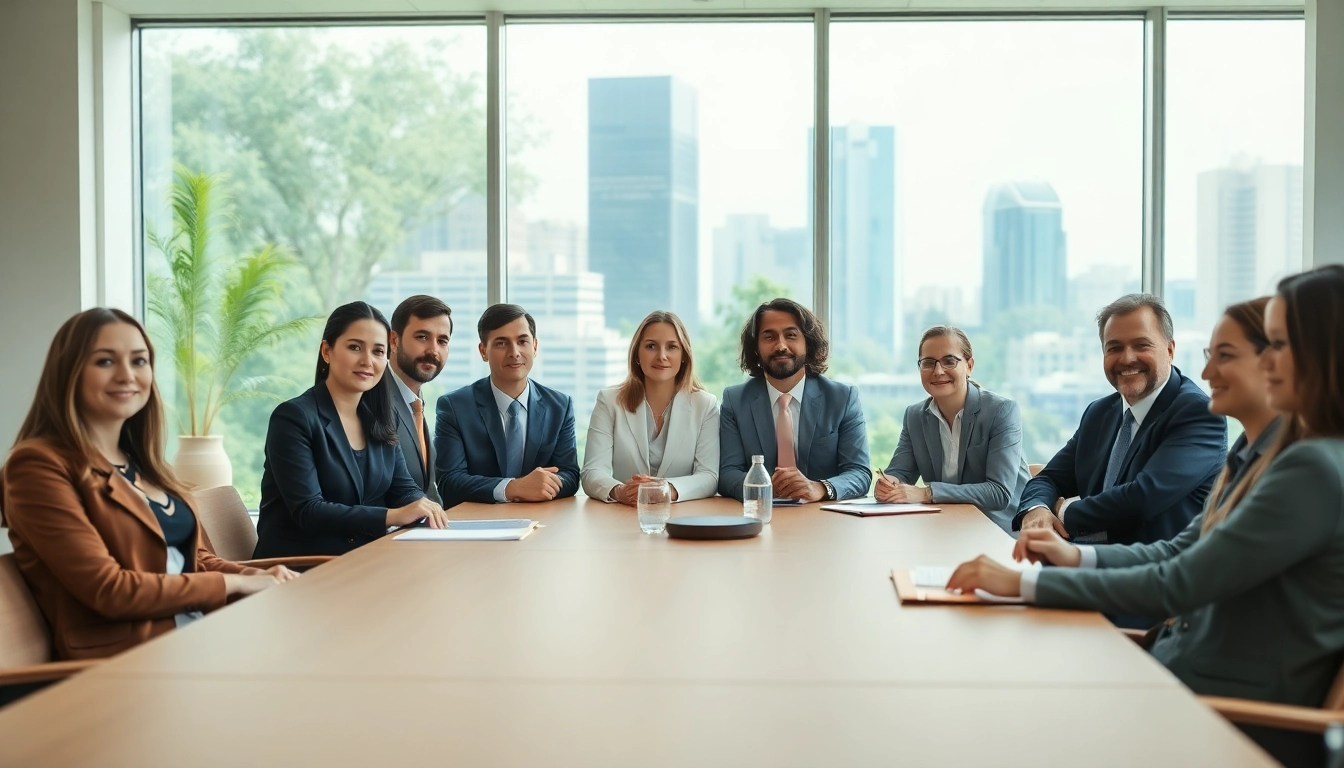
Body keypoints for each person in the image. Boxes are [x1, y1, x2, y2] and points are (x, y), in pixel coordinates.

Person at [947, 267, 1344, 768]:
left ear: (1322, 351)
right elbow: (1178, 551)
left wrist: (1023, 585)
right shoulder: (1263, 451)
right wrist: (1069, 549)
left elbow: (1176, 575)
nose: (1208, 373)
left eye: (1278, 346)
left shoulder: (1309, 465)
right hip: (1180, 668)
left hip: (1226, 713)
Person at [0, 308, 296, 661]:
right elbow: (109, 589)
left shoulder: (146, 463)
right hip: (126, 660)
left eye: (139, 361)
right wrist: (237, 582)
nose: (127, 375)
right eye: (105, 361)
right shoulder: (37, 465)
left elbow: (197, 560)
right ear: (69, 373)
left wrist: (262, 576)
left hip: (197, 636)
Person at [1015, 294, 1226, 546]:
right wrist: (1037, 510)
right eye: (1114, 348)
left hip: (1154, 574)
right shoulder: (1099, 412)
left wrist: (1062, 510)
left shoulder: (1197, 412)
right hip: (1082, 562)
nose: (1127, 358)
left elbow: (1142, 499)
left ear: (1170, 350)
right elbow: (1048, 478)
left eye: (1141, 345)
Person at [254, 302, 448, 559]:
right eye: (355, 347)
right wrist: (393, 516)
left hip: (364, 558)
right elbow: (309, 511)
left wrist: (423, 506)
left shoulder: (380, 418)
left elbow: (403, 489)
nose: (367, 361)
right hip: (301, 567)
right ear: (327, 351)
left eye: (378, 351)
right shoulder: (293, 418)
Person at [877, 325, 1029, 533]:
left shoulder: (1001, 411)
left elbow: (999, 493)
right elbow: (901, 471)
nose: (938, 371)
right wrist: (889, 484)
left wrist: (927, 494)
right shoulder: (915, 416)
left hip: (999, 531)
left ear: (969, 365)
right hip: (945, 528)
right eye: (928, 363)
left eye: (949, 361)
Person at [718, 298, 870, 502]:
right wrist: (766, 488)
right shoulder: (734, 400)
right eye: (769, 337)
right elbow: (728, 473)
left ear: (808, 343)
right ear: (756, 348)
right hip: (760, 513)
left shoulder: (842, 398)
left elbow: (859, 472)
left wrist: (820, 488)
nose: (781, 346)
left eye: (791, 335)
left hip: (823, 519)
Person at [434, 304, 580, 508]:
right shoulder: (455, 407)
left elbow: (571, 475)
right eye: (501, 343)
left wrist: (545, 485)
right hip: (477, 523)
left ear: (535, 347)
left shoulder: (560, 406)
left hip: (542, 520)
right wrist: (514, 488)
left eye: (522, 341)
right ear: (483, 351)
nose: (515, 352)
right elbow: (449, 482)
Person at [582, 310, 719, 504]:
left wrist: (665, 490)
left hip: (683, 518)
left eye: (672, 347)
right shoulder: (609, 401)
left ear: (684, 356)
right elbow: (591, 472)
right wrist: (621, 491)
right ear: (637, 354)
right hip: (623, 515)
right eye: (651, 346)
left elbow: (709, 476)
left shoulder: (705, 405)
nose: (661, 356)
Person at [385, 294, 453, 505]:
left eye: (442, 341)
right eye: (422, 337)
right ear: (394, 341)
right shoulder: (372, 399)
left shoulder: (416, 402)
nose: (433, 350)